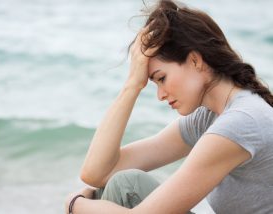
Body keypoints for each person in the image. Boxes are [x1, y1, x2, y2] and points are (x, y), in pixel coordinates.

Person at [65, 0, 273, 213]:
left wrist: (75, 205)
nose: (160, 95)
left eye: (161, 78)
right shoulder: (208, 119)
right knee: (124, 184)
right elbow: (96, 173)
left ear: (194, 60)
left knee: (113, 194)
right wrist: (132, 85)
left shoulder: (241, 121)